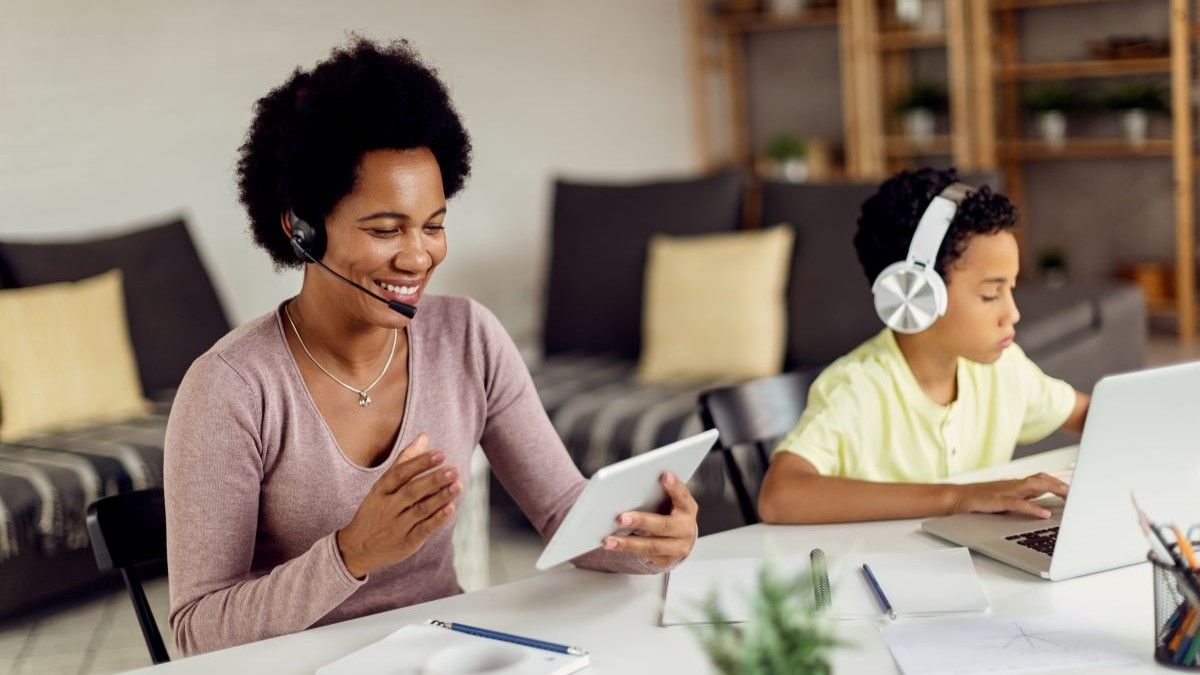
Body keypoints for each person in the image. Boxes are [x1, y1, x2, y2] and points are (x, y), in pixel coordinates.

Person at [164, 38, 698, 656]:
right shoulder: (230, 387)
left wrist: (651, 539)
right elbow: (196, 631)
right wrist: (349, 555)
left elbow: (562, 514)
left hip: (445, 656)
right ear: (301, 229)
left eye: (434, 225)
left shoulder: (466, 336)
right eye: (385, 228)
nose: (418, 256)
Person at [757, 168, 1089, 525]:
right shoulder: (856, 388)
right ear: (916, 293)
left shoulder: (1004, 368)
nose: (1013, 313)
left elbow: (1088, 413)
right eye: (991, 294)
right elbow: (780, 496)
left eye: (1011, 289)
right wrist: (958, 497)